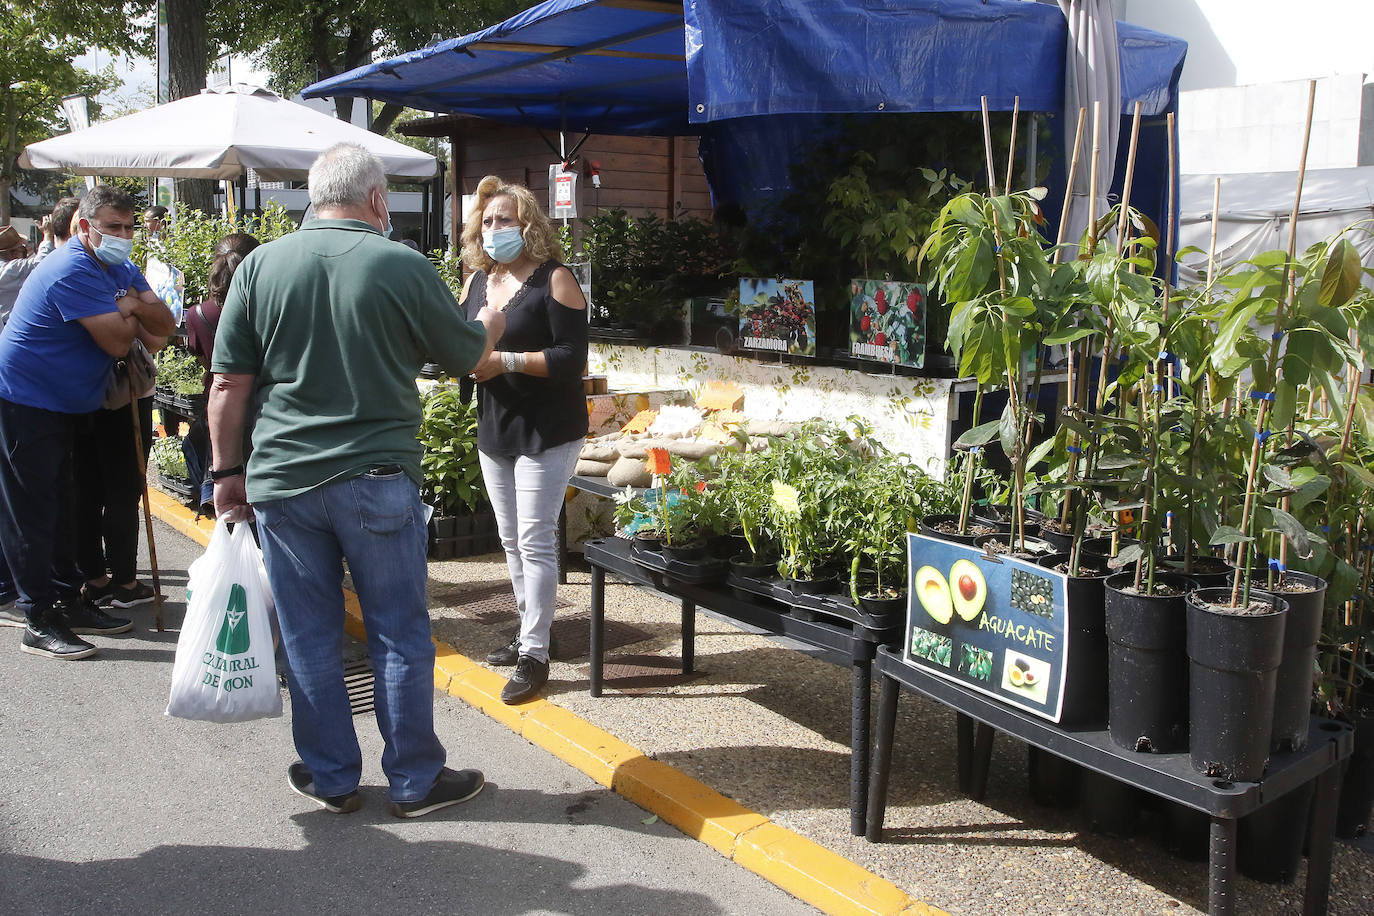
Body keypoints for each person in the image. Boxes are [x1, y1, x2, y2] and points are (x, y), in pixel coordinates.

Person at [209, 143, 505, 817]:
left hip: (282, 479)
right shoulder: (400, 264)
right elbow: (464, 357)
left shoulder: (260, 265)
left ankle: (332, 776)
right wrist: (488, 322)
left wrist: (226, 474)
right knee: (397, 630)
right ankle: (415, 781)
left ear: (312, 197)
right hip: (376, 475)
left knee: (310, 634)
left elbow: (228, 381)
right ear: (378, 200)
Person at [0, 185, 174, 659]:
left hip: (70, 403)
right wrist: (137, 311)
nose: (123, 236)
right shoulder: (70, 267)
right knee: (33, 512)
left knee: (63, 507)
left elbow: (164, 330)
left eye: (128, 227)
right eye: (112, 228)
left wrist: (133, 308)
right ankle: (37, 615)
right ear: (84, 228)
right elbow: (121, 344)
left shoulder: (118, 265)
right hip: (27, 400)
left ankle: (69, 601)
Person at [459, 176, 589, 705]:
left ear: (528, 224)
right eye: (488, 222)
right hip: (496, 427)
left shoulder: (555, 280)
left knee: (535, 541)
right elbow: (462, 347)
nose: (495, 230)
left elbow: (569, 359)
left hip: (547, 430)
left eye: (505, 220)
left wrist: (502, 360)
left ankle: (533, 656)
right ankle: (531, 629)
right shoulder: (475, 283)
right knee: (510, 540)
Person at [184, 233, 260, 513]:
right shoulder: (265, 309)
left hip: (220, 413)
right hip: (262, 411)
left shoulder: (198, 315)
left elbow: (209, 365)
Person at [0, 216, 55, 328]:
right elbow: (42, 263)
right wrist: (48, 235)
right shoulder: (10, 269)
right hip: (10, 326)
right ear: (14, 253)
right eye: (22, 248)